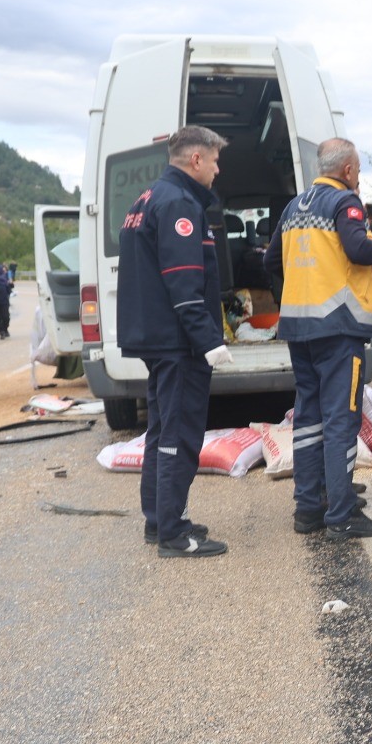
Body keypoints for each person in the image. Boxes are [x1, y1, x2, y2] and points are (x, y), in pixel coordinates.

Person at [118, 125, 232, 558]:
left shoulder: (146, 198)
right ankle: (172, 533)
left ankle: (159, 521)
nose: (218, 170)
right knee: (178, 436)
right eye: (215, 161)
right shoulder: (180, 204)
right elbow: (184, 286)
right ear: (196, 160)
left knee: (160, 430)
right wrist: (208, 341)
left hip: (156, 338)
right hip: (177, 342)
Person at [279, 138, 372, 541]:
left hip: (299, 328)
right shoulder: (345, 204)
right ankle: (342, 515)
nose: (358, 179)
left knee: (308, 419)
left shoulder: (294, 207)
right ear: (347, 171)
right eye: (359, 172)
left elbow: (267, 260)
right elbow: (358, 249)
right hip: (339, 329)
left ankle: (308, 508)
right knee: (341, 422)